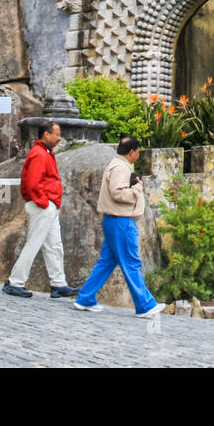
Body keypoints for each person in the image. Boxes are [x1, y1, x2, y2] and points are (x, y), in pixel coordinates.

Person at [73, 136, 165, 318]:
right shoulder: (121, 168)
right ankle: (145, 304)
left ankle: (85, 298)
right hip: (121, 221)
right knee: (131, 262)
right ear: (131, 152)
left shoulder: (117, 165)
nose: (138, 155)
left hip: (113, 220)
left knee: (106, 262)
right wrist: (137, 189)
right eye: (138, 152)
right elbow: (117, 192)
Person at [4, 123, 77, 299]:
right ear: (46, 134)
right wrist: (44, 202)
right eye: (56, 134)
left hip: (47, 205)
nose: (59, 138)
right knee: (34, 243)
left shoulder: (43, 153)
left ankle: (58, 283)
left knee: (54, 245)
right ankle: (15, 282)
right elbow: (32, 183)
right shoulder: (39, 154)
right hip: (43, 205)